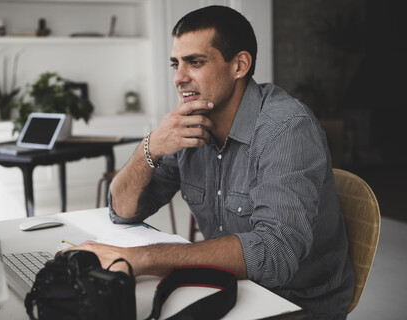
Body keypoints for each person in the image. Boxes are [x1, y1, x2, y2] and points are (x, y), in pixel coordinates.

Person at [65, 5, 354, 319]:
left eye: (195, 62)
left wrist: (143, 257)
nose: (178, 78)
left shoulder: (287, 129)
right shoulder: (188, 124)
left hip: (296, 303)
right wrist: (149, 146)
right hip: (229, 287)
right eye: (176, 63)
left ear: (239, 65)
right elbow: (123, 212)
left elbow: (274, 256)